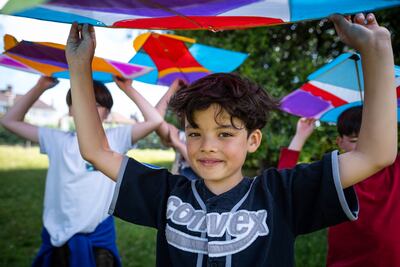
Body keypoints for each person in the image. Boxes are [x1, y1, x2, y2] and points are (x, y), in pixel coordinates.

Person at [65, 12, 397, 267]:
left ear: (253, 140)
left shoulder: (282, 194)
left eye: (224, 133)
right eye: (195, 133)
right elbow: (95, 151)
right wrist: (80, 66)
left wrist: (376, 50)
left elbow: (375, 155)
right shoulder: (165, 193)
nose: (207, 145)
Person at [0, 76, 162, 266]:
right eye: (81, 102)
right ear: (70, 109)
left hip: (98, 236)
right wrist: (40, 86)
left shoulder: (115, 138)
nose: (89, 108)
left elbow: (155, 120)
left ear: (107, 113)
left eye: (97, 104)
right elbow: (9, 121)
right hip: (57, 232)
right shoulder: (56, 139)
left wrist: (127, 89)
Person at [279, 107, 400, 267]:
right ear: (340, 142)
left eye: (371, 139)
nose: (365, 147)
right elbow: (283, 188)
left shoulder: (395, 168)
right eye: (355, 141)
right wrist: (300, 136)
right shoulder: (335, 173)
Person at [155, 78, 198, 180]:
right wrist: (173, 88)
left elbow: (200, 167)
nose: (179, 113)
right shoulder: (182, 135)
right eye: (179, 109)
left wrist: (178, 144)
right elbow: (155, 120)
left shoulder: (211, 138)